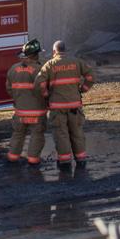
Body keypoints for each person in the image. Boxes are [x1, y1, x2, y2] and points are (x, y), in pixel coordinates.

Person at [35, 40, 94, 169]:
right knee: (77, 132)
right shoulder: (76, 62)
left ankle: (65, 162)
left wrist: (46, 95)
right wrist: (82, 89)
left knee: (61, 134)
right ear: (65, 50)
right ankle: (81, 160)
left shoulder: (49, 65)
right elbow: (91, 77)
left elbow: (39, 83)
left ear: (55, 51)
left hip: (57, 107)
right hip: (74, 106)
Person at [5, 39, 47, 166]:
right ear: (35, 55)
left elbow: (9, 89)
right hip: (37, 112)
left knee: (18, 134)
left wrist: (19, 99)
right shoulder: (40, 69)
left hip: (20, 112)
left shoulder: (13, 69)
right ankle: (33, 160)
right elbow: (45, 90)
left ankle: (12, 157)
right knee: (37, 135)